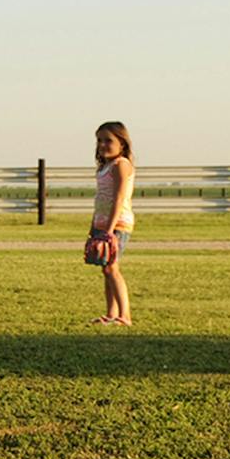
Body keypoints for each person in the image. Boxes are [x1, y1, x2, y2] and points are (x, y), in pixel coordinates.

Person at [88, 121, 136, 326]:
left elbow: (118, 198)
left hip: (118, 224)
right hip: (102, 223)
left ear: (122, 143)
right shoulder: (104, 167)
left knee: (111, 267)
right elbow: (100, 200)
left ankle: (125, 315)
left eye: (108, 140)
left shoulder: (121, 164)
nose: (102, 145)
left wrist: (109, 230)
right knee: (105, 268)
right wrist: (94, 227)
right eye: (99, 140)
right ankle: (110, 313)